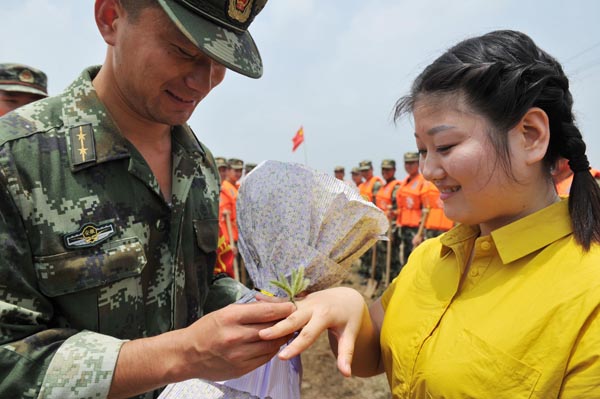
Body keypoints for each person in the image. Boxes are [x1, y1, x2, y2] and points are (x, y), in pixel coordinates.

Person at [260, 30, 600, 398]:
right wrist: (347, 308)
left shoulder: (588, 294)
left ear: (530, 136)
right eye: (423, 150)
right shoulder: (431, 258)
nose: (428, 170)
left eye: (445, 146)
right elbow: (373, 354)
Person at [0, 1, 296, 398]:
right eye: (183, 51)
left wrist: (254, 307)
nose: (202, 81)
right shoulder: (17, 160)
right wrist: (183, 353)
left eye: (219, 60)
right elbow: (9, 360)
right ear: (110, 19)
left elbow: (194, 284)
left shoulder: (196, 163)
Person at [395, 152, 426, 266]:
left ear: (418, 164)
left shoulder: (423, 181)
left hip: (416, 228)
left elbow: (426, 209)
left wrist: (421, 233)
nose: (409, 166)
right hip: (404, 226)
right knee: (406, 258)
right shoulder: (405, 182)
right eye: (406, 163)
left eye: (412, 163)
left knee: (416, 259)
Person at [374, 159, 402, 281]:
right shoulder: (383, 187)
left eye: (388, 169)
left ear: (394, 170)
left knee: (392, 257)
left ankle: (392, 282)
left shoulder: (396, 187)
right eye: (383, 169)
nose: (385, 172)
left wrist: (393, 229)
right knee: (382, 255)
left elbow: (398, 210)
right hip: (382, 226)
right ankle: (383, 280)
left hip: (391, 227)